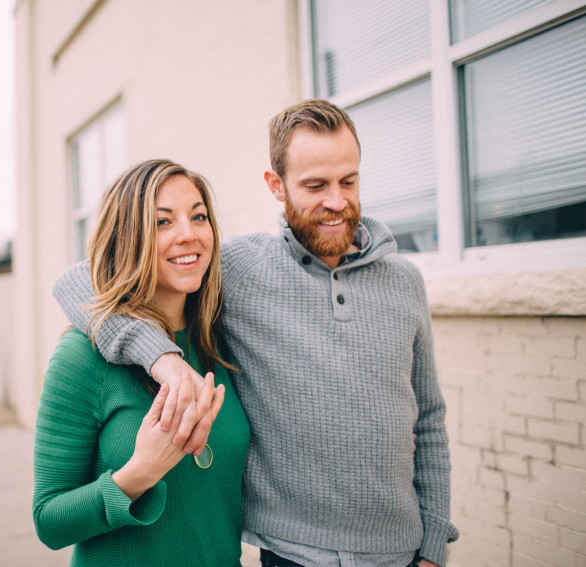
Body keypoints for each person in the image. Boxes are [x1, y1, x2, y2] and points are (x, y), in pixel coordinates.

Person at [53, 99, 459, 567]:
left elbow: (428, 419)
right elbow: (80, 280)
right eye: (315, 185)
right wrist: (161, 356)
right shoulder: (239, 270)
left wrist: (433, 549)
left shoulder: (405, 280)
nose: (336, 201)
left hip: (402, 553)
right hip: (290, 556)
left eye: (349, 180)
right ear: (276, 186)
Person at [33, 159, 250, 566]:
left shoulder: (220, 342)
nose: (188, 235)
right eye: (162, 222)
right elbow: (49, 521)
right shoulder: (81, 356)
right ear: (127, 239)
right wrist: (141, 472)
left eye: (198, 216)